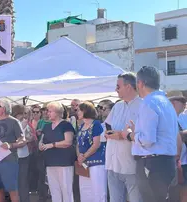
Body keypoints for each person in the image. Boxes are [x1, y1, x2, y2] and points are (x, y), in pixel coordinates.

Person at [121, 66, 178, 202]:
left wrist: (130, 135)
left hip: (152, 164)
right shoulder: (166, 102)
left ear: (140, 83)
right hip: (166, 162)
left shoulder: (149, 103)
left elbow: (147, 139)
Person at [104, 72, 143, 202]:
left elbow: (144, 135)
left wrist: (121, 135)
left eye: (118, 86)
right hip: (113, 164)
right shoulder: (118, 106)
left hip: (132, 165)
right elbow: (107, 127)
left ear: (128, 87)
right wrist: (110, 133)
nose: (115, 90)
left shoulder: (143, 106)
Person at [39, 102, 75, 202]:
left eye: (50, 111)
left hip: (64, 162)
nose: (47, 113)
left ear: (58, 112)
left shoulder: (66, 125)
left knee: (66, 190)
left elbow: (68, 142)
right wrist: (41, 145)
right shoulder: (46, 127)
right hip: (50, 162)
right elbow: (42, 141)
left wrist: (52, 145)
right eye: (47, 111)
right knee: (54, 190)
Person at [0, 99, 25, 202]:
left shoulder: (14, 121)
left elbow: (23, 141)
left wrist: (10, 145)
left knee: (12, 190)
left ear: (3, 108)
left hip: (9, 161)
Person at [76, 102, 107, 202]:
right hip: (84, 164)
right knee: (85, 191)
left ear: (85, 111)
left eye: (79, 110)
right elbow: (78, 144)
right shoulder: (81, 126)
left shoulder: (96, 124)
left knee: (98, 192)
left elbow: (96, 144)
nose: (77, 112)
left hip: (96, 162)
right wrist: (79, 156)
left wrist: (84, 156)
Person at [12, 105, 31, 202]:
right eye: (22, 113)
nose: (24, 116)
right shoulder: (13, 123)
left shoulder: (24, 123)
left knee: (23, 181)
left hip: (23, 156)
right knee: (16, 182)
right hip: (14, 156)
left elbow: (29, 137)